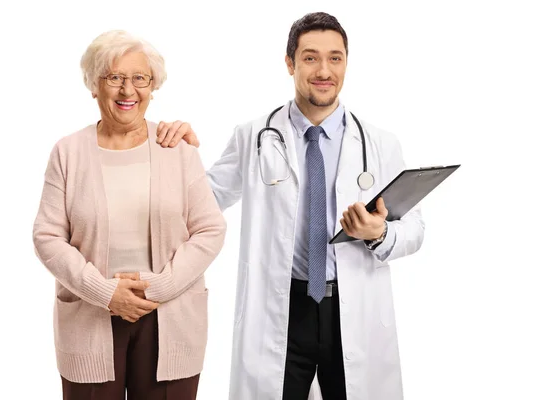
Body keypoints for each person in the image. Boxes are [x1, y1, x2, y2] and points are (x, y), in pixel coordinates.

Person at [156, 12, 425, 400]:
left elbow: (415, 229)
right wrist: (181, 155)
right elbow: (203, 200)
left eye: (335, 58)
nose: (324, 70)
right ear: (290, 63)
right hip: (281, 311)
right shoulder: (253, 136)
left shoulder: (380, 144)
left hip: (351, 311)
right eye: (311, 57)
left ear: (346, 63)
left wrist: (378, 233)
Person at [32, 30, 226, 400]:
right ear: (93, 85)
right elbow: (47, 237)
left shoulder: (177, 148)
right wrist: (106, 292)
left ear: (153, 87)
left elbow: (210, 229)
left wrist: (160, 285)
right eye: (114, 78)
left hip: (171, 314)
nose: (128, 91)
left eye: (140, 78)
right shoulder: (68, 152)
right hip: (90, 314)